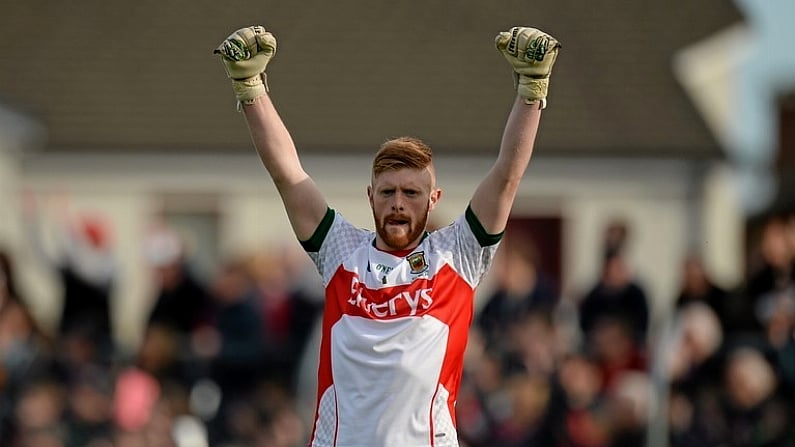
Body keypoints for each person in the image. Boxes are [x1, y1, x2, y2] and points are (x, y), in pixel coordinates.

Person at [214, 24, 560, 446]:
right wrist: (250, 87)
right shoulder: (341, 249)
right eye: (388, 192)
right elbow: (288, 173)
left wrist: (531, 89)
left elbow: (506, 177)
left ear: (433, 200)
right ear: (370, 197)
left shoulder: (458, 253)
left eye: (411, 193)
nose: (399, 202)